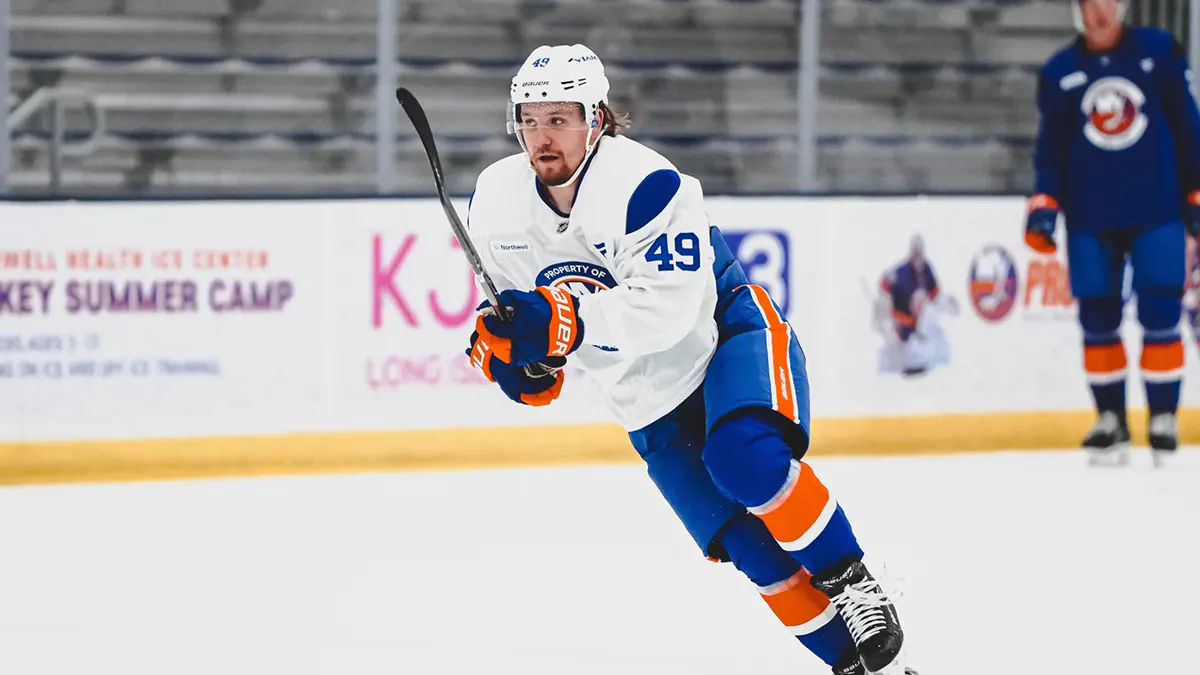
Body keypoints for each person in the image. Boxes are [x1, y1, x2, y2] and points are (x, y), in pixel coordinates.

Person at [462, 44, 916, 675]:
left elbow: (668, 313)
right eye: (529, 120)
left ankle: (853, 582)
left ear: (596, 120)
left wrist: (560, 324)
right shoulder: (496, 200)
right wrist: (525, 359)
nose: (542, 137)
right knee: (748, 545)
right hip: (641, 392)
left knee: (743, 460)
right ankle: (859, 669)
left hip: (724, 338)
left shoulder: (646, 184)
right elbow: (531, 324)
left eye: (559, 119)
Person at [1025, 0, 1200, 466]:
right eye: (1090, 2)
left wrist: (1196, 189)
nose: (1099, 11)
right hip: (1090, 214)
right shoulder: (1060, 72)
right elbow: (1051, 149)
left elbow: (1188, 125)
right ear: (1077, 10)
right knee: (1097, 317)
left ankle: (1163, 416)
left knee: (1161, 310)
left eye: (1107, 0)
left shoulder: (1159, 52)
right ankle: (1110, 418)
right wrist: (1044, 201)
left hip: (1156, 208)